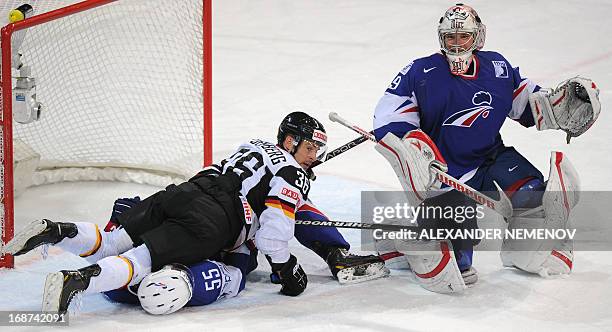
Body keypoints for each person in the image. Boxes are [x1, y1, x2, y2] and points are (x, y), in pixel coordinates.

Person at [3, 112, 387, 314]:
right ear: (290, 141)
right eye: (310, 149)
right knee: (140, 259)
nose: (314, 157)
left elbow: (227, 174)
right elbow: (272, 233)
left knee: (114, 240)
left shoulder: (251, 144)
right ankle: (79, 280)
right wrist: (287, 268)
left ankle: (59, 230)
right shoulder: (291, 173)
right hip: (215, 216)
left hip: (187, 190)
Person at [371, 3, 600, 293]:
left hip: (490, 157)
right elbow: (389, 115)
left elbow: (530, 105)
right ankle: (403, 240)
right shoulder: (421, 71)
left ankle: (528, 250)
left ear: (478, 37)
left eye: (463, 37)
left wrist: (557, 106)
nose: (456, 44)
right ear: (441, 39)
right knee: (461, 261)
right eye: (450, 38)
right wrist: (411, 147)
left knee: (533, 194)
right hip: (443, 171)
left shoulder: (498, 68)